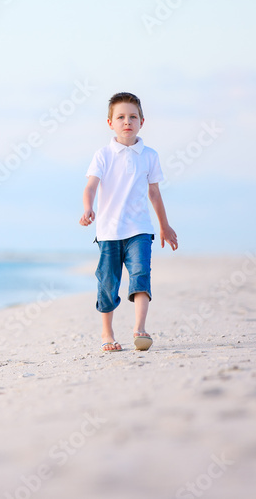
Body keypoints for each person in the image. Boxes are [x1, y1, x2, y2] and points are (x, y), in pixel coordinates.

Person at [79, 92, 177, 352]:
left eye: (133, 117)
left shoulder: (149, 155)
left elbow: (154, 193)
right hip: (109, 231)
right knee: (108, 282)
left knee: (140, 275)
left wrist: (164, 226)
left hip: (140, 229)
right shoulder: (103, 155)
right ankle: (107, 333)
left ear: (142, 122)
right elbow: (90, 186)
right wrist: (88, 208)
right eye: (120, 117)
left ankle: (139, 328)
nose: (127, 122)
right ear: (110, 122)